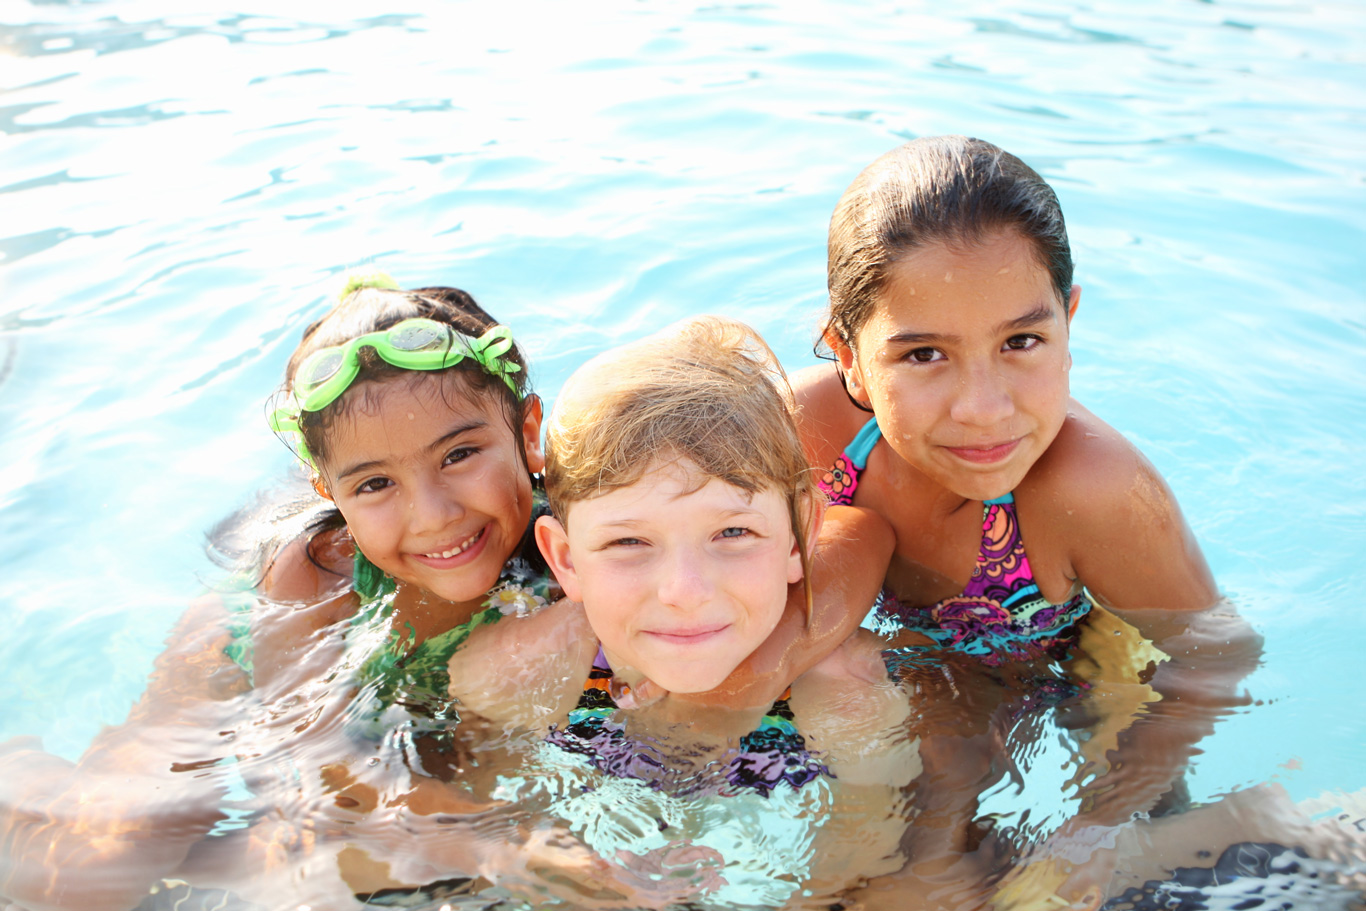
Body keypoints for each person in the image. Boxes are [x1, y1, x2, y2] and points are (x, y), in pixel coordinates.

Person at [0, 278, 877, 908]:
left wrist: (768, 661)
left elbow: (852, 522)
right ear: (327, 493)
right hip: (252, 660)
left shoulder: (588, 500)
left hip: (435, 710)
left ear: (527, 430)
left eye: (461, 454)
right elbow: (329, 773)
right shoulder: (312, 579)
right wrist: (508, 844)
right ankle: (20, 779)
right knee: (98, 867)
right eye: (375, 484)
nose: (434, 516)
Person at [791, 136, 1262, 905]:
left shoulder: (1092, 487)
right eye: (923, 355)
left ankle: (1299, 832)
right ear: (848, 353)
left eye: (1021, 341)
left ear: (1069, 321)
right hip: (927, 684)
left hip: (1074, 670)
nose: (983, 407)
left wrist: (1098, 823)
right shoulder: (810, 435)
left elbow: (1215, 656)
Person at [448, 316, 927, 908]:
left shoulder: (843, 691)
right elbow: (479, 813)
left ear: (799, 536)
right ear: (565, 561)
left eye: (732, 531)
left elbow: (865, 858)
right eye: (629, 543)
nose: (685, 589)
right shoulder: (515, 672)